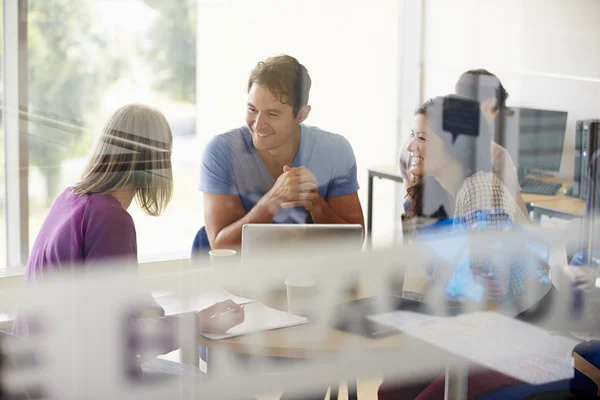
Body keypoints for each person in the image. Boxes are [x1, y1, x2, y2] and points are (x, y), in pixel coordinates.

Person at [12, 104, 244, 378]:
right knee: (208, 385)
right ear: (156, 160)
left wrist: (149, 309)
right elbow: (118, 337)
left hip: (37, 368)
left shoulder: (70, 198)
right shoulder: (108, 217)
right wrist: (198, 322)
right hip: (77, 380)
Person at [200, 55, 364, 250]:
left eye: (272, 114)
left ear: (301, 114)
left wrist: (316, 203)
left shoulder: (335, 150)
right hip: (245, 275)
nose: (258, 124)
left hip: (309, 274)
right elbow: (221, 246)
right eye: (252, 109)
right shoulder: (221, 151)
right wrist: (274, 200)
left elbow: (354, 241)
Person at [399, 69, 528, 217]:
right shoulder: (431, 186)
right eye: (412, 135)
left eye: (422, 138)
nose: (409, 147)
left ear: (455, 146)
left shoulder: (479, 191)